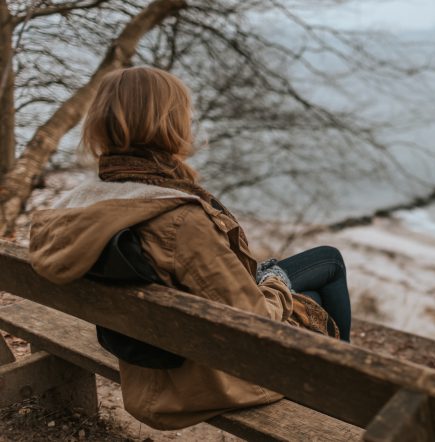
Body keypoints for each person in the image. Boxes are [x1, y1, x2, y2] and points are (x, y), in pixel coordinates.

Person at [26, 66, 352, 430]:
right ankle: (345, 399)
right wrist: (274, 281)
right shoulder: (179, 219)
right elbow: (253, 322)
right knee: (322, 280)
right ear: (168, 122)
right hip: (200, 381)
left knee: (324, 261)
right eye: (184, 114)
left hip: (147, 369)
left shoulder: (82, 202)